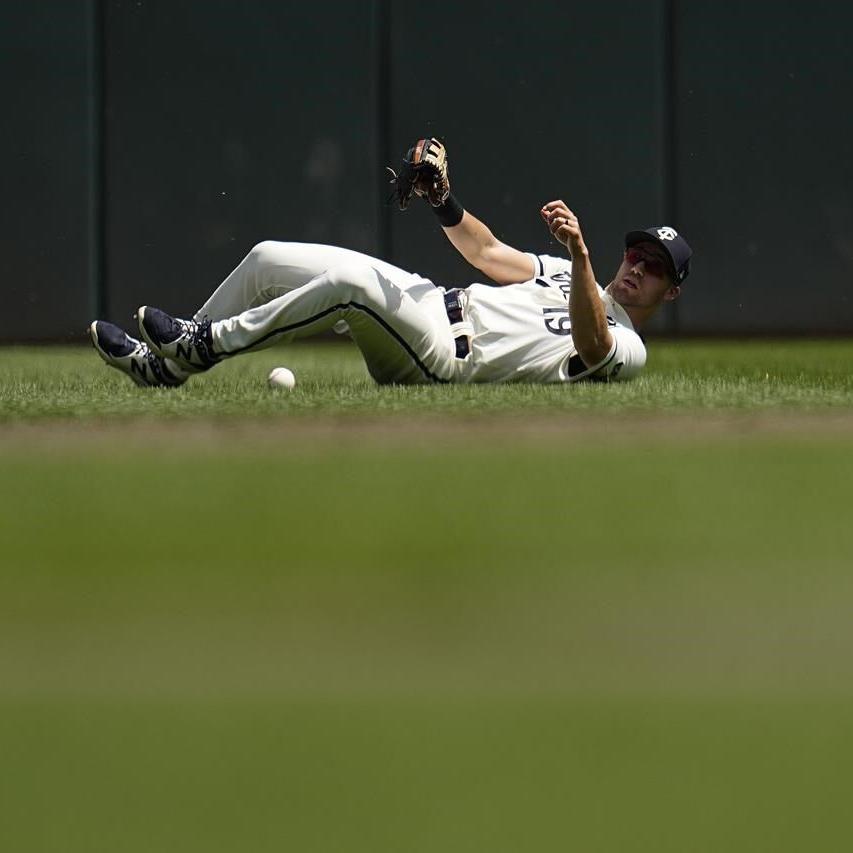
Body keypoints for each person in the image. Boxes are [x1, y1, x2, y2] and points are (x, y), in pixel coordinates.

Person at [89, 139, 692, 388]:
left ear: (669, 294)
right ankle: (163, 370)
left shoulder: (629, 348)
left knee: (348, 285)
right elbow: (485, 253)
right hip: (431, 301)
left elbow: (591, 346)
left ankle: (204, 344)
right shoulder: (561, 273)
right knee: (267, 257)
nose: (639, 266)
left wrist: (581, 255)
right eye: (638, 253)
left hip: (445, 356)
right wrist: (443, 200)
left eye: (656, 267)